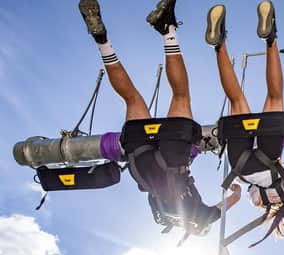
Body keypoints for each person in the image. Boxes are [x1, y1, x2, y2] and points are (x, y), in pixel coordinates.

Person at [78, 0, 240, 242]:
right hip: (140, 159)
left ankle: (167, 30)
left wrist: (236, 188)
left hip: (175, 159)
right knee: (132, 98)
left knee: (181, 96)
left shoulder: (202, 219)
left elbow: (231, 200)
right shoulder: (161, 215)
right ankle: (102, 42)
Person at [205, 1, 284, 246]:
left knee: (275, 98)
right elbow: (248, 187)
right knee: (237, 100)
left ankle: (270, 40)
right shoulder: (257, 202)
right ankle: (219, 45)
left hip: (269, 159)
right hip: (241, 164)